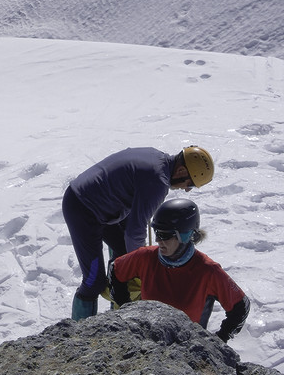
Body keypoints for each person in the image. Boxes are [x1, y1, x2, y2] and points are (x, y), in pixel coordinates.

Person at [60, 144, 213, 320]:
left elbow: (132, 227)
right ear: (180, 171)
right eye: (190, 184)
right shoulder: (158, 181)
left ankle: (116, 316)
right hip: (83, 210)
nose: (186, 189)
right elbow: (134, 232)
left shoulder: (157, 158)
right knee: (94, 282)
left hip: (100, 205)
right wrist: (142, 267)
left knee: (125, 259)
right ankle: (77, 337)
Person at [110, 197, 250, 342]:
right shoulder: (146, 257)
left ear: (186, 235)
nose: (158, 240)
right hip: (148, 342)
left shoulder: (207, 271)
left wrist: (220, 340)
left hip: (187, 348)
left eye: (165, 235)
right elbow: (116, 269)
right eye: (157, 233)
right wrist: (127, 309)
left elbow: (240, 306)